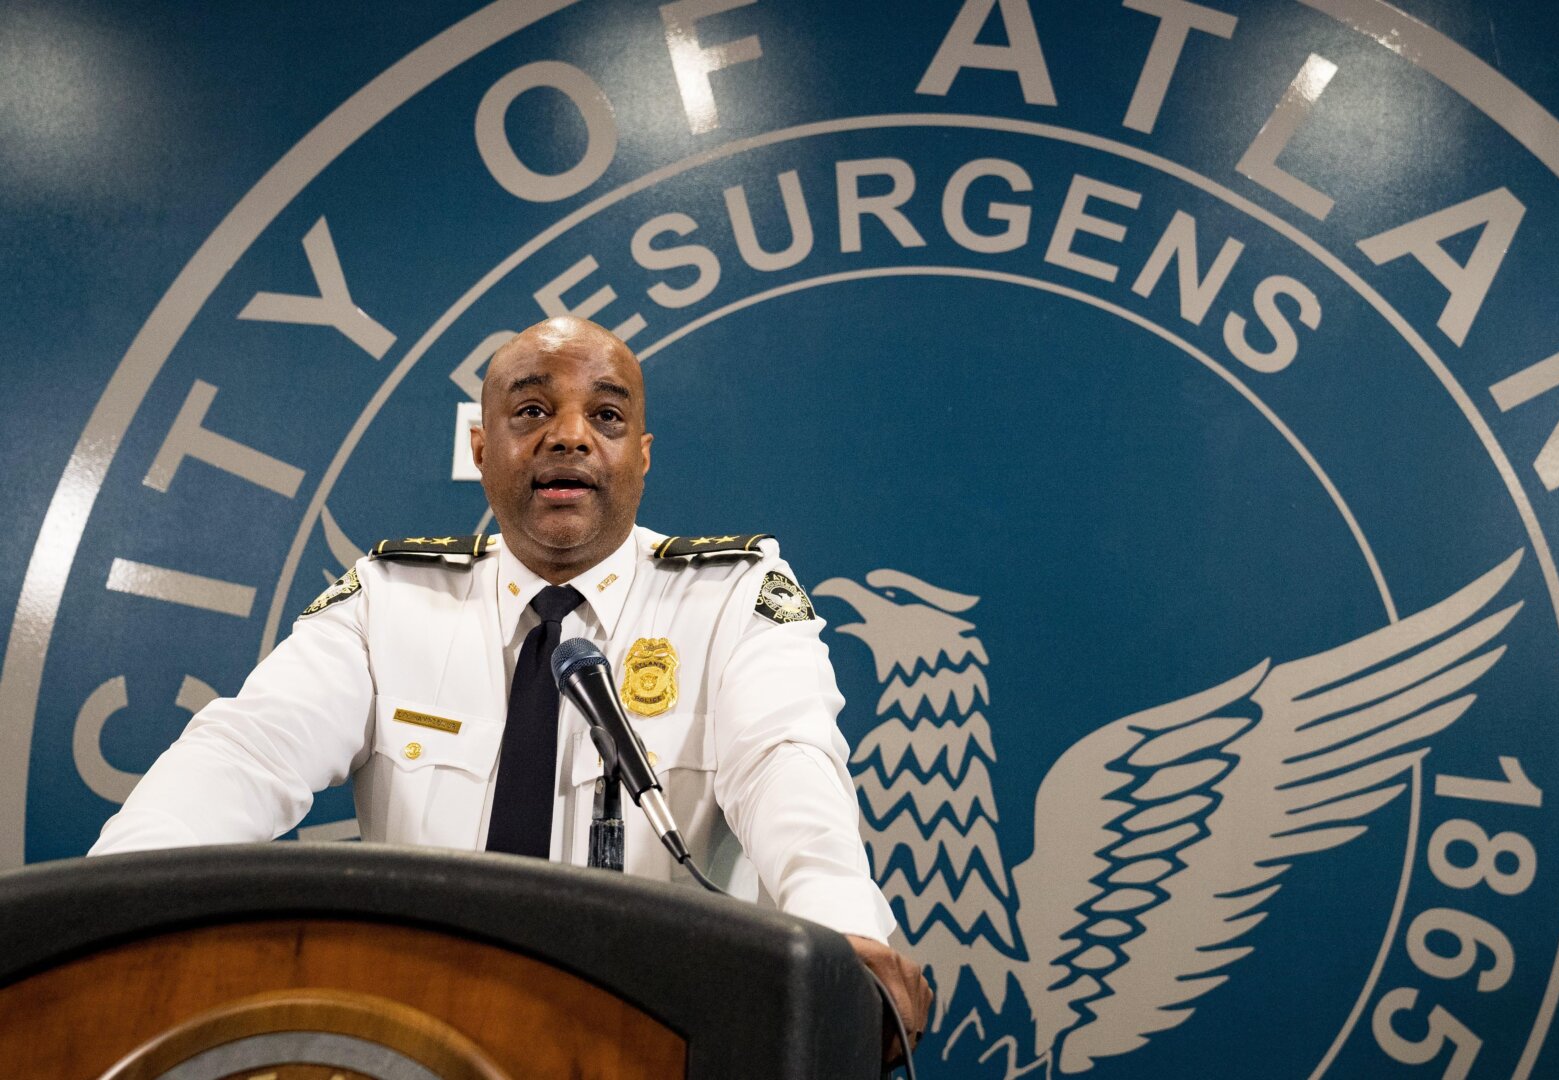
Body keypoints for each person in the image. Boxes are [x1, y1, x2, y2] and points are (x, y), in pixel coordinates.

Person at [92, 315, 931, 1058]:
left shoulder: (733, 597)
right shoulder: (388, 600)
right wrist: (110, 908)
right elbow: (246, 751)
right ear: (480, 448)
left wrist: (841, 930)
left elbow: (788, 762)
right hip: (420, 1043)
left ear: (641, 457)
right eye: (530, 411)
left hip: (653, 1043)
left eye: (606, 416)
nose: (568, 437)